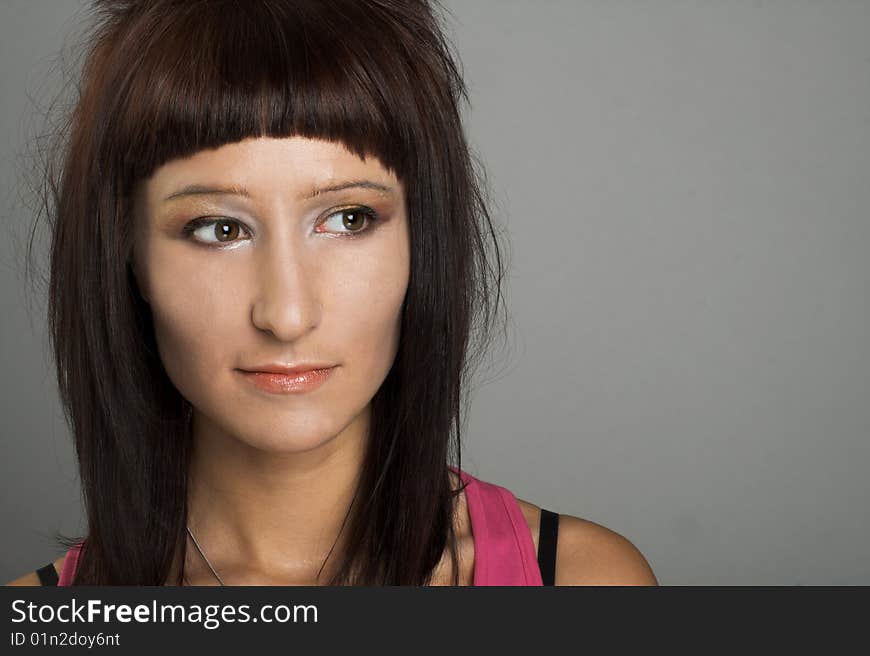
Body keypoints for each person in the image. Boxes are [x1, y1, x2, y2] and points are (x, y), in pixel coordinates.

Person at [7, 0, 657, 586]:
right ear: (129, 256)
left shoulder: (585, 583)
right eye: (219, 228)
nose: (287, 315)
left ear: (421, 238)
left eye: (349, 219)